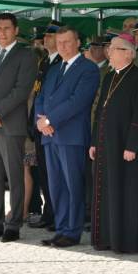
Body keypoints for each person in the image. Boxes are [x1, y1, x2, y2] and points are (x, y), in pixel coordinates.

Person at [34, 26, 99, 248]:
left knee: (73, 186)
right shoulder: (54, 69)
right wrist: (40, 121)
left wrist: (49, 120)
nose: (62, 46)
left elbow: (77, 102)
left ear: (78, 42)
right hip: (50, 136)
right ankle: (61, 229)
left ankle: (72, 232)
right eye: (59, 42)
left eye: (67, 42)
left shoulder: (88, 69)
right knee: (56, 187)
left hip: (71, 136)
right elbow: (40, 98)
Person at [0, 13, 38, 242]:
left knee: (15, 177)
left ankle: (13, 224)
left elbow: (21, 90)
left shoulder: (26, 55)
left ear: (16, 30)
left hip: (11, 125)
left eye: (6, 28)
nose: (2, 33)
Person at [89, 34, 138, 253]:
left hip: (124, 146)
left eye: (114, 48)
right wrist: (94, 141)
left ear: (128, 54)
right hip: (106, 145)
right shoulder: (108, 77)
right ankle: (106, 238)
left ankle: (125, 241)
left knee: (126, 192)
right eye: (110, 48)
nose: (109, 52)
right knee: (106, 191)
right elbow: (99, 112)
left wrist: (132, 145)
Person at [28, 21, 62, 231]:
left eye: (50, 36)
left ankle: (57, 214)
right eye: (46, 36)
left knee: (55, 174)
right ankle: (49, 211)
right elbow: (37, 94)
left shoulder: (60, 62)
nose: (45, 39)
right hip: (40, 125)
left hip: (53, 126)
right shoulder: (45, 62)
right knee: (44, 173)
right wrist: (34, 122)